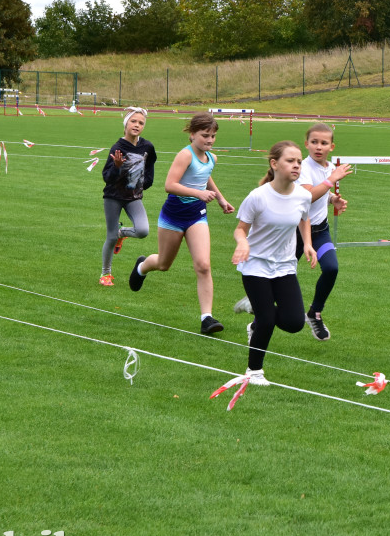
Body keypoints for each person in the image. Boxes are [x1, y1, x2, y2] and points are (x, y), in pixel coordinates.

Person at [235, 123, 351, 340]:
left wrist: (333, 199)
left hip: (319, 231)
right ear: (306, 144)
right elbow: (309, 195)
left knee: (332, 268)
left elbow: (318, 197)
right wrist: (331, 180)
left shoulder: (327, 168)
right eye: (314, 142)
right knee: (283, 282)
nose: (318, 147)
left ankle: (314, 313)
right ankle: (259, 319)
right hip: (294, 232)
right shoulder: (303, 167)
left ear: (331, 146)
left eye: (323, 143)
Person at [129, 112, 235, 335]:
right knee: (164, 264)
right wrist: (199, 193)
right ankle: (142, 266)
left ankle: (207, 318)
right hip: (173, 215)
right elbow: (170, 185)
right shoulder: (184, 156)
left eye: (213, 136)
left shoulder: (212, 158)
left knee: (203, 265)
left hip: (197, 215)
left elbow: (206, 176)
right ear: (193, 134)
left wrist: (221, 200)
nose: (210, 140)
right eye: (205, 135)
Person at [231, 140, 316, 385]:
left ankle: (254, 307)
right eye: (290, 160)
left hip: (285, 265)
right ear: (274, 164)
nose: (296, 165)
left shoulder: (303, 196)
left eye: (299, 161)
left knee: (294, 322)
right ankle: (253, 372)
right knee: (267, 320)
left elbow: (304, 219)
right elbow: (240, 229)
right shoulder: (258, 197)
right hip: (255, 264)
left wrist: (308, 244)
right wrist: (243, 243)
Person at [99, 107, 157, 286]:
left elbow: (150, 165)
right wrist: (116, 166)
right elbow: (107, 177)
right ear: (125, 124)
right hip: (113, 196)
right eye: (133, 121)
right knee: (110, 237)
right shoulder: (118, 148)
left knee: (143, 231)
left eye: (141, 123)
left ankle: (121, 233)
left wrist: (145, 182)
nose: (137, 125)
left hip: (133, 197)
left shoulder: (147, 147)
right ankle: (105, 274)